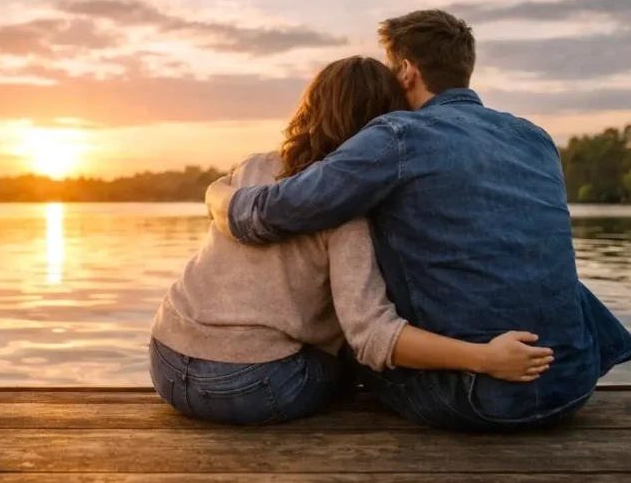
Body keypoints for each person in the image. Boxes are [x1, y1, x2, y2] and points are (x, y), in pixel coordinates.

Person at [206, 11, 631, 432]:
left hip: (478, 398)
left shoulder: (396, 135)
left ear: (408, 71)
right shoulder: (534, 137)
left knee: (349, 343)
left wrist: (219, 197)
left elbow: (272, 212)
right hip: (572, 383)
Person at [150, 56, 554, 427]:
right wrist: (485, 359)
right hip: (253, 384)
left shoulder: (253, 166)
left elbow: (220, 196)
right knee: (358, 365)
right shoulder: (347, 210)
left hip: (165, 359)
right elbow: (371, 335)